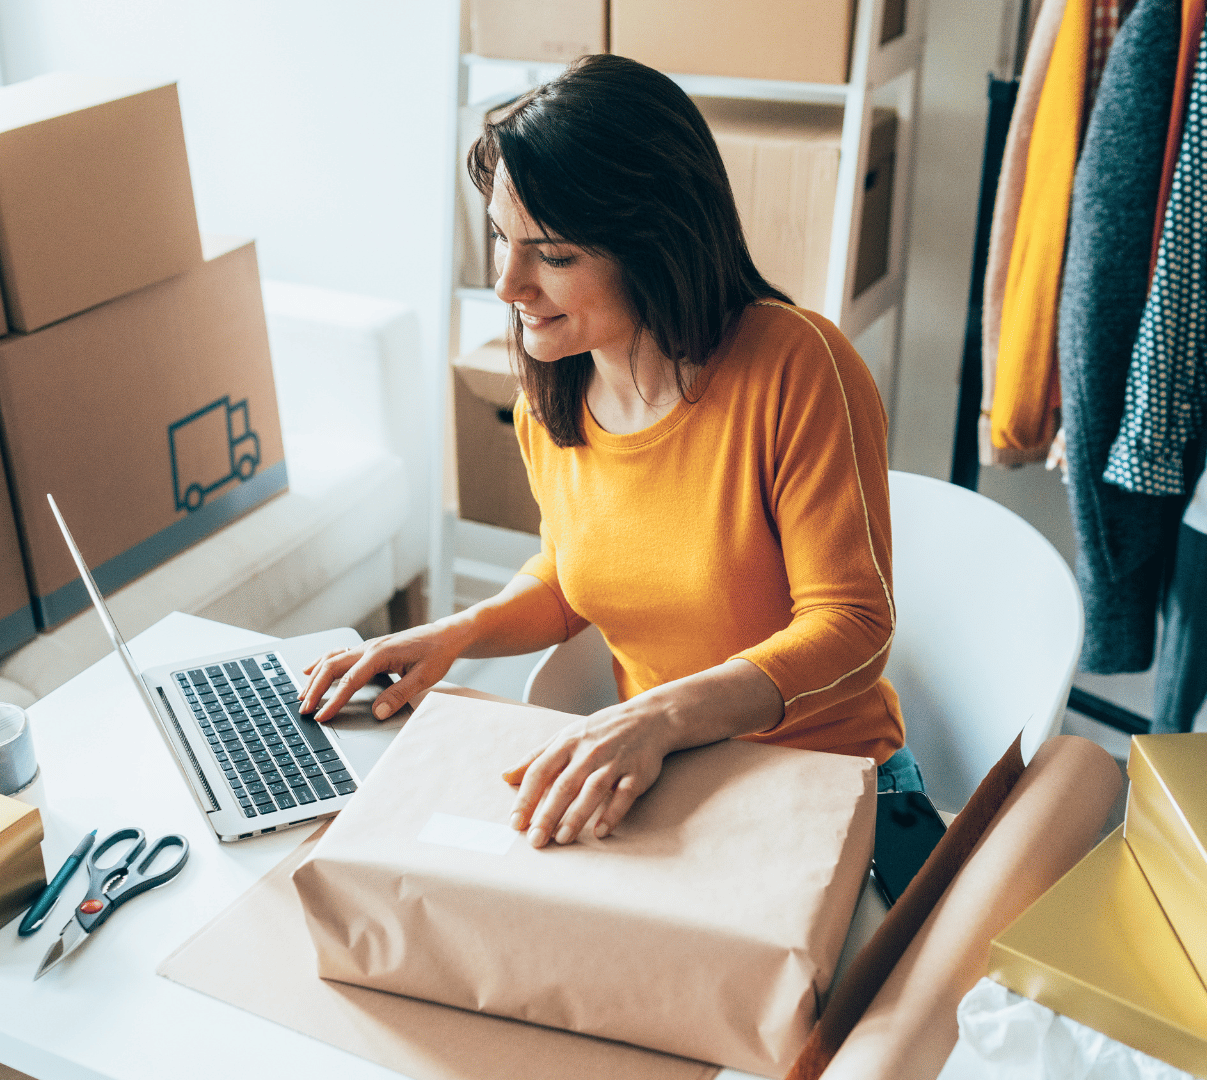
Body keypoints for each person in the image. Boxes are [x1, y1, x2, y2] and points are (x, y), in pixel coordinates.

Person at [301, 53, 912, 849]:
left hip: (826, 784)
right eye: (501, 238)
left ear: (656, 244)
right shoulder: (547, 401)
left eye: (552, 255)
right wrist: (456, 635)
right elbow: (574, 576)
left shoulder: (796, 367)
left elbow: (854, 627)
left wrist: (654, 717)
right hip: (670, 778)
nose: (509, 285)